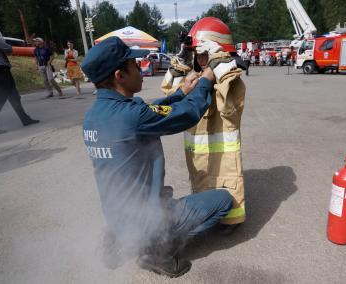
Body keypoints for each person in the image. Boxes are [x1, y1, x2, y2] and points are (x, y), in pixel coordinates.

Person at [81, 36, 233, 277]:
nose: (141, 69)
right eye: (134, 65)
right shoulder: (132, 117)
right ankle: (158, 251)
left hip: (117, 215)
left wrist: (181, 91)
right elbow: (188, 113)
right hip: (147, 221)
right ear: (120, 75)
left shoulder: (93, 117)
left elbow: (147, 113)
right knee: (224, 201)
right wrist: (206, 80)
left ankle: (116, 238)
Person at [161, 17, 246, 234]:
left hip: (224, 156)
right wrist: (180, 66)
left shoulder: (232, 81)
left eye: (205, 54)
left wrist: (218, 66)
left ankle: (233, 221)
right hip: (198, 155)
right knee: (202, 185)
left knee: (227, 183)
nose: (200, 60)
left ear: (219, 53)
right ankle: (209, 213)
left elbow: (229, 105)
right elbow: (170, 91)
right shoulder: (195, 78)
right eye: (196, 54)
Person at [0, 27, 39, 134]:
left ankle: (25, 119)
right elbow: (8, 49)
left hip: (1, 69)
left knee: (14, 96)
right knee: (1, 97)